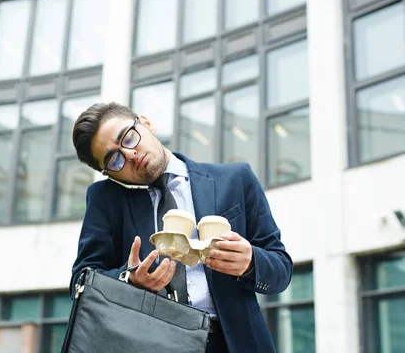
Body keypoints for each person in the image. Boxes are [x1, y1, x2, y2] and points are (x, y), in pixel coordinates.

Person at [69, 102, 292, 353]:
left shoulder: (235, 179)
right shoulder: (106, 199)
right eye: (114, 159)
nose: (130, 154)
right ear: (108, 174)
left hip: (234, 343)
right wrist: (128, 279)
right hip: (152, 343)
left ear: (146, 123)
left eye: (128, 138)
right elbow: (81, 281)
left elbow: (281, 269)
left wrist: (250, 262)